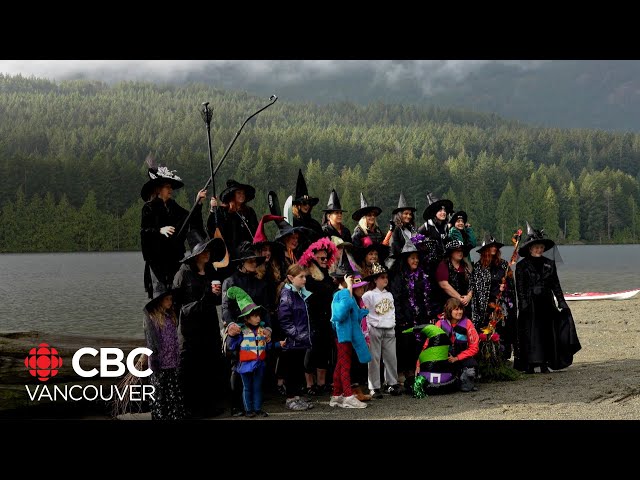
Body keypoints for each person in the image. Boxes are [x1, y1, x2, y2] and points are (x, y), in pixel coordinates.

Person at [172, 230, 227, 418]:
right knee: (189, 367)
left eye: (209, 250)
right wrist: (204, 300)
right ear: (195, 255)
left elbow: (216, 301)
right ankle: (188, 407)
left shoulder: (211, 271)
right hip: (190, 327)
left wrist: (216, 295)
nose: (208, 253)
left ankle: (209, 406)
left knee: (210, 363)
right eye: (204, 251)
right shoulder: (183, 274)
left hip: (209, 324)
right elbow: (177, 304)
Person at [515, 223, 581, 373]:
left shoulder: (549, 264)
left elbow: (555, 285)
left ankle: (544, 362)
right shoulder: (522, 266)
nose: (539, 249)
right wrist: (523, 304)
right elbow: (520, 287)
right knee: (531, 334)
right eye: (536, 247)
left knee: (547, 332)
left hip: (546, 302)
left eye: (540, 247)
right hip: (530, 304)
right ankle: (531, 364)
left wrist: (562, 302)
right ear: (530, 248)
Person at [140, 163, 207, 299]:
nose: (170, 189)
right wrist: (159, 230)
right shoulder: (149, 208)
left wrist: (197, 203)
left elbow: (190, 218)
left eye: (171, 187)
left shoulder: (173, 206)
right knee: (161, 299)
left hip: (174, 261)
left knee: (176, 296)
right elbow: (144, 232)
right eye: (167, 187)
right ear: (159, 189)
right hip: (157, 263)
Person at [222, 241, 272, 417]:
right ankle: (236, 406)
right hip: (237, 329)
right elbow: (226, 309)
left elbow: (265, 308)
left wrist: (269, 329)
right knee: (237, 366)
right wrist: (231, 326)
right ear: (241, 263)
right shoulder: (229, 281)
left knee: (259, 365)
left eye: (255, 261)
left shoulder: (260, 283)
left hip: (258, 329)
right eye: (250, 260)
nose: (254, 263)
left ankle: (255, 406)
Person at [225, 286, 285, 417]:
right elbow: (231, 346)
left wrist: (277, 344)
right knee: (247, 388)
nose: (258, 318)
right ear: (246, 318)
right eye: (255, 316)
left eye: (259, 315)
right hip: (245, 365)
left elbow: (267, 347)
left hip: (259, 364)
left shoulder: (262, 330)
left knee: (258, 387)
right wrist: (232, 335)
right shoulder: (241, 331)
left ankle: (257, 409)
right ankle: (249, 410)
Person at [388, 232, 434, 394]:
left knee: (418, 347)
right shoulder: (399, 276)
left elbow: (426, 297)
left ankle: (415, 376)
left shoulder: (422, 275)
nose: (415, 260)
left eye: (417, 257)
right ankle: (405, 376)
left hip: (420, 318)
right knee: (405, 348)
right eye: (412, 257)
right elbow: (396, 298)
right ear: (405, 259)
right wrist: (400, 318)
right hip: (404, 320)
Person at [329, 251, 372, 409]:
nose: (354, 281)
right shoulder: (341, 294)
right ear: (346, 279)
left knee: (340, 365)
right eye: (352, 278)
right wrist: (348, 288)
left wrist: (364, 312)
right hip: (342, 336)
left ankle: (336, 396)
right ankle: (347, 396)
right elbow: (339, 314)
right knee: (345, 366)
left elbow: (353, 315)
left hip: (347, 335)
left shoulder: (348, 294)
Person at [409, 298, 479, 393]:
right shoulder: (440, 324)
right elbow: (427, 346)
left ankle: (464, 380)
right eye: (456, 309)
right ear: (449, 311)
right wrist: (419, 364)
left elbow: (474, 347)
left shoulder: (468, 323)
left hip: (461, 358)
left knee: (470, 372)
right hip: (444, 358)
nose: (459, 312)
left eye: (460, 309)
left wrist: (457, 358)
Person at [298, 237, 339, 396]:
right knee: (311, 351)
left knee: (325, 350)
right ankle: (310, 384)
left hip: (326, 318)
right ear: (312, 258)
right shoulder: (307, 277)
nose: (324, 260)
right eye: (321, 258)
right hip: (312, 318)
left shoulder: (327, 275)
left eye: (326, 258)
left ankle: (321, 383)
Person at [470, 234, 517, 361]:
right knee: (487, 332)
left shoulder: (504, 265)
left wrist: (505, 287)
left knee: (503, 331)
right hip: (486, 306)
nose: (494, 248)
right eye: (491, 246)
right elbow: (477, 289)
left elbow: (511, 286)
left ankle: (503, 358)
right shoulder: (479, 268)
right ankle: (487, 360)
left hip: (502, 306)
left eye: (495, 246)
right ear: (485, 250)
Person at [143, 283, 185, 420]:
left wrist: (177, 358)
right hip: (159, 363)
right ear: (159, 301)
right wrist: (153, 360)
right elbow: (151, 341)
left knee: (173, 392)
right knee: (160, 393)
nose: (170, 301)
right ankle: (161, 416)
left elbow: (174, 339)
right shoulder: (152, 318)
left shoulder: (170, 316)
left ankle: (174, 415)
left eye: (171, 299)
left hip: (172, 361)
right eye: (167, 299)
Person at [278, 263, 315, 411]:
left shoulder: (300, 293)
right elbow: (284, 320)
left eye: (305, 276)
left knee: (299, 369)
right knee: (291, 370)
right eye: (301, 277)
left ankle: (297, 397)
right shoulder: (287, 295)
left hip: (301, 341)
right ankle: (290, 399)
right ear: (290, 278)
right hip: (294, 341)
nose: (304, 279)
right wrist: (298, 335)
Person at [361, 262, 398, 400]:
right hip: (375, 329)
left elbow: (392, 311)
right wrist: (369, 326)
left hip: (389, 329)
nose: (385, 280)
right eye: (382, 277)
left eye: (386, 277)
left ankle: (392, 383)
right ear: (375, 279)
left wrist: (392, 324)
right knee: (374, 358)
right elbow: (364, 311)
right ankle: (374, 386)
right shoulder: (369, 295)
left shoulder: (389, 295)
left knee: (391, 357)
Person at [207, 179, 259, 259]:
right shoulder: (223, 211)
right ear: (232, 195)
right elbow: (213, 228)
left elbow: (255, 229)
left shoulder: (249, 211)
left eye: (243, 193)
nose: (242, 195)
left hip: (248, 251)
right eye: (239, 193)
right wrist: (212, 209)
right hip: (230, 253)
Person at [435, 239, 474, 318]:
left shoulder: (466, 266)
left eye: (461, 251)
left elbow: (472, 283)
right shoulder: (444, 265)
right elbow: (444, 285)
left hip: (465, 306)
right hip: (450, 306)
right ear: (451, 252)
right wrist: (460, 298)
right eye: (457, 251)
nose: (460, 253)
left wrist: (469, 297)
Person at [292, 169, 323, 253]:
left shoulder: (315, 225)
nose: (307, 206)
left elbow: (322, 242)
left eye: (309, 203)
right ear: (298, 205)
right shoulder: (291, 222)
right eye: (304, 203)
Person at [388, 192, 417, 263]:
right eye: (406, 214)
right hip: (400, 262)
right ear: (399, 215)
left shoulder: (412, 228)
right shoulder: (396, 229)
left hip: (412, 261)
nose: (409, 216)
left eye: (410, 214)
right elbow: (394, 247)